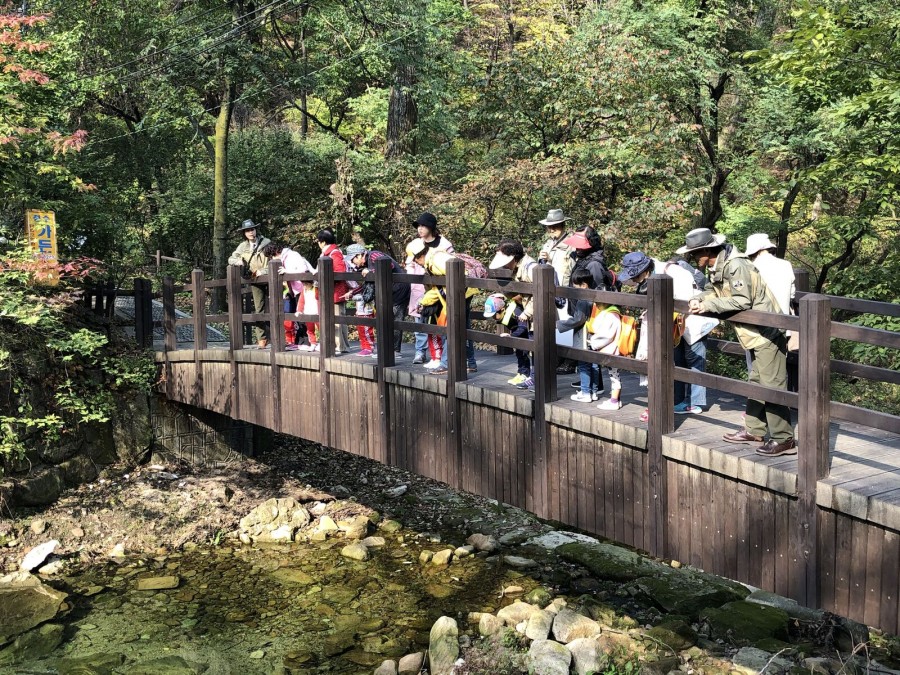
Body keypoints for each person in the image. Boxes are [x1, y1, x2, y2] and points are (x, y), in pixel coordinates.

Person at [679, 228, 796, 457]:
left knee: (772, 386)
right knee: (757, 382)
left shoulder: (735, 265)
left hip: (767, 332)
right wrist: (697, 299)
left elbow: (743, 300)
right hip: (753, 334)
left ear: (706, 251)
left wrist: (707, 305)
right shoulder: (718, 266)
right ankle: (754, 430)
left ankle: (784, 439)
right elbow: (711, 290)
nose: (692, 258)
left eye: (694, 254)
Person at [618, 251, 713, 414]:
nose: (634, 280)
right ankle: (678, 400)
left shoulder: (674, 272)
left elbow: (686, 301)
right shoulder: (652, 275)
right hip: (672, 325)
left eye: (635, 276)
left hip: (692, 321)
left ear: (644, 270)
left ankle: (695, 401)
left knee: (695, 360)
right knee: (677, 360)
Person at [408, 238, 478, 375]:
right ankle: (470, 363)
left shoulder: (436, 260)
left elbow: (459, 274)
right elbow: (437, 289)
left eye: (414, 259)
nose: (415, 263)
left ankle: (446, 364)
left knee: (448, 329)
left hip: (459, 297)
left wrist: (453, 298)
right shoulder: (432, 261)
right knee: (463, 329)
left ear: (419, 255)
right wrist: (424, 302)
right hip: (459, 296)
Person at [563, 226, 616, 391]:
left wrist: (586, 313)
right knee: (584, 348)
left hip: (588, 313)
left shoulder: (594, 264)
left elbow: (597, 292)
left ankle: (595, 385)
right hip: (581, 310)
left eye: (581, 246)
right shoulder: (584, 259)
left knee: (589, 349)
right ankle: (589, 381)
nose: (577, 249)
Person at [745, 233, 798, 391]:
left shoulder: (750, 268)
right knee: (779, 370)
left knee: (755, 370)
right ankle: (780, 401)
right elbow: (792, 294)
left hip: (756, 326)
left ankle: (759, 403)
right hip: (783, 325)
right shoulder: (785, 265)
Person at [489, 240, 539, 390]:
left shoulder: (531, 268)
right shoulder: (520, 267)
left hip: (538, 314)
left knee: (537, 347)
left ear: (513, 257)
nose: (505, 266)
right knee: (533, 347)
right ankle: (534, 378)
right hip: (532, 314)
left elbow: (538, 293)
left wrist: (527, 312)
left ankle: (537, 379)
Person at [406, 213, 454, 365]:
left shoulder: (444, 244)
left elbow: (452, 264)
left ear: (431, 227)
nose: (419, 229)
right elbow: (409, 264)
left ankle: (441, 356)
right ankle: (420, 352)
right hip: (419, 286)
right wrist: (411, 280)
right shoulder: (415, 244)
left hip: (440, 289)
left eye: (423, 226)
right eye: (418, 226)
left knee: (440, 321)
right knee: (419, 319)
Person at [347, 243, 411, 358]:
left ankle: (394, 351)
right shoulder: (366, 264)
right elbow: (368, 284)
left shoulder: (374, 255)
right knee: (383, 320)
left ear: (359, 255)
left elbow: (389, 265)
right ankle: (385, 350)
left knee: (395, 320)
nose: (353, 263)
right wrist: (353, 292)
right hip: (387, 292)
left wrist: (371, 271)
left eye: (353, 260)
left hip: (399, 290)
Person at [538, 208, 576, 374]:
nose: (551, 230)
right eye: (549, 227)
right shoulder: (547, 244)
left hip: (565, 290)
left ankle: (569, 360)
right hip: (549, 290)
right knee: (553, 324)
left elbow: (572, 268)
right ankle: (557, 358)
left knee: (566, 323)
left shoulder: (570, 245)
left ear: (562, 225)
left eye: (555, 226)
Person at [556, 268, 602, 402]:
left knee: (583, 364)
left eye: (575, 284)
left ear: (583, 285)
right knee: (594, 364)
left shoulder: (583, 300)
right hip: (593, 335)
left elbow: (578, 319)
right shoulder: (595, 296)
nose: (573, 287)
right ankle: (593, 392)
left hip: (583, 336)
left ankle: (585, 392)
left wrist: (559, 324)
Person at [263, 242, 315, 350]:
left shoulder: (292, 255)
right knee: (296, 316)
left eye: (272, 255)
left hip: (302, 288)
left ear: (276, 252)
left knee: (302, 315)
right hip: (296, 290)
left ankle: (305, 341)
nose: (272, 258)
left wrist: (287, 271)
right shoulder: (285, 257)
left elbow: (302, 269)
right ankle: (300, 341)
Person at [228, 219, 271, 348]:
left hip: (270, 277)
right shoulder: (243, 246)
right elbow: (231, 258)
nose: (250, 232)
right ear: (244, 233)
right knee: (259, 308)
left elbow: (275, 259)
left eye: (252, 229)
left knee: (277, 307)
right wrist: (238, 262)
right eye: (247, 231)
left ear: (256, 230)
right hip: (255, 280)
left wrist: (264, 271)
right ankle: (262, 338)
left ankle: (280, 337)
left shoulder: (266, 243)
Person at [483, 293, 531, 385]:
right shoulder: (505, 313)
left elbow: (523, 327)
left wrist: (511, 335)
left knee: (524, 353)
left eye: (494, 315)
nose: (493, 318)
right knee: (519, 353)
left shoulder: (515, 312)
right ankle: (521, 372)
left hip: (527, 333)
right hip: (518, 333)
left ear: (502, 309)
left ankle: (525, 374)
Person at [316, 229, 351, 354]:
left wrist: (325, 278)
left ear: (323, 242)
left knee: (337, 320)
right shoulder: (331, 252)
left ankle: (340, 346)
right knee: (338, 319)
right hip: (333, 291)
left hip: (336, 291)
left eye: (319, 241)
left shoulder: (334, 253)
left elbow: (339, 272)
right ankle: (342, 346)